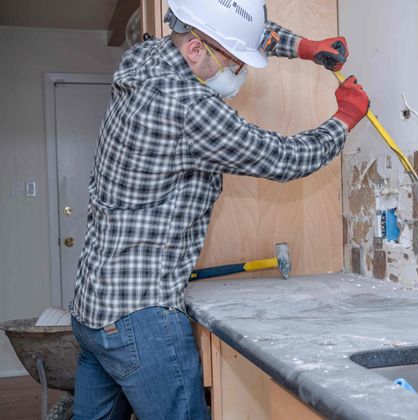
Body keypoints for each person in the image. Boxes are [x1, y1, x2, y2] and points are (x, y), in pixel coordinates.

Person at [69, 0, 370, 418]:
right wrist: (345, 118)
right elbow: (282, 158)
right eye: (232, 62)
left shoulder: (145, 56)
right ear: (195, 51)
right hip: (142, 318)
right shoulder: (189, 109)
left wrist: (303, 46)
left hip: (91, 310)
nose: (239, 72)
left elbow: (235, 31)